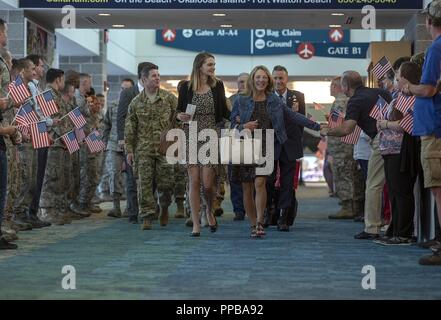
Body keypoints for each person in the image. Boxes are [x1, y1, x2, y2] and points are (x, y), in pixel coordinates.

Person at [232, 65, 321, 237]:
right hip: (246, 145)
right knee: (247, 187)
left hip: (267, 145)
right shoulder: (240, 100)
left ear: (268, 80)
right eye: (258, 77)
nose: (261, 80)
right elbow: (231, 124)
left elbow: (293, 115)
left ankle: (259, 223)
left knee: (260, 183)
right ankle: (252, 223)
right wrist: (243, 125)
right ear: (253, 79)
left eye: (264, 77)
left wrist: (317, 126)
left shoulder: (273, 99)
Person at [321, 71, 392, 240]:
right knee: (395, 186)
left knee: (373, 184)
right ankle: (396, 224)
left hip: (380, 141)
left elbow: (347, 129)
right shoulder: (379, 92)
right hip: (398, 139)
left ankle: (372, 227)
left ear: (345, 87)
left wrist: (328, 131)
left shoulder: (355, 101)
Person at [400, 0, 441, 265]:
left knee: (438, 189)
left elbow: (428, 90)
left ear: (428, 22)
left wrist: (407, 87)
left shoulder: (436, 48)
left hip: (435, 127)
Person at [176, 52, 230, 237]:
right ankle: (196, 222)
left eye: (214, 64)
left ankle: (209, 209)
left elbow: (224, 111)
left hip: (210, 134)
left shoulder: (218, 85)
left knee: (207, 184)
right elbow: (178, 110)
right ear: (199, 65)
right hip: (190, 134)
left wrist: (240, 120)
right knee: (194, 181)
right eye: (210, 64)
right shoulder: (185, 87)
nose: (213, 67)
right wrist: (179, 116)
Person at [374, 62, 422, 245]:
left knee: (402, 192)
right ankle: (394, 229)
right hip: (388, 149)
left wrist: (385, 124)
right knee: (393, 191)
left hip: (402, 150)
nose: (396, 77)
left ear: (406, 77)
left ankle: (404, 233)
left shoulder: (413, 98)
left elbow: (406, 124)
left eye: (398, 74)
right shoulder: (398, 96)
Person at [125, 63, 177, 230]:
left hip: (165, 149)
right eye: (154, 76)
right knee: (144, 184)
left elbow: (178, 120)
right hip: (144, 150)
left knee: (167, 183)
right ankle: (147, 215)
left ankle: (164, 207)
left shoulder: (169, 99)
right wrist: (129, 150)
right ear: (143, 79)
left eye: (158, 75)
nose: (157, 78)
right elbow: (130, 128)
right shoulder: (136, 102)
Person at [117, 63, 153, 224]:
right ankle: (133, 212)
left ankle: (149, 209)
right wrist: (122, 139)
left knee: (150, 178)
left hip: (150, 141)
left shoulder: (154, 92)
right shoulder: (128, 93)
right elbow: (121, 116)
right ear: (143, 76)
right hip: (132, 141)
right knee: (132, 177)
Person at [327, 77, 365, 220]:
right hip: (349, 145)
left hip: (342, 147)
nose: (330, 88)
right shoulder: (350, 100)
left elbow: (337, 126)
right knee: (352, 175)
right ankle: (355, 206)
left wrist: (326, 129)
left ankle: (347, 207)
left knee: (343, 175)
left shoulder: (339, 101)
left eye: (332, 85)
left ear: (338, 86)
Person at [102, 80, 134, 218]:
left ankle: (130, 207)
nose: (123, 91)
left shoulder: (136, 105)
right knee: (114, 174)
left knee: (132, 177)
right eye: (122, 88)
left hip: (132, 146)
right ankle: (116, 207)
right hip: (114, 145)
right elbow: (106, 124)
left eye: (127, 89)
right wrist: (104, 143)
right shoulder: (113, 105)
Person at [228, 73, 248, 221]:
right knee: (235, 178)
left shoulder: (257, 99)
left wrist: (242, 120)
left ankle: (253, 207)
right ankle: (238, 210)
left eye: (246, 82)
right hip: (234, 142)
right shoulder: (230, 101)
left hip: (253, 142)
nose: (243, 85)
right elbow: (226, 121)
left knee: (253, 178)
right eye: (240, 82)